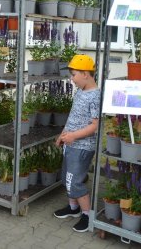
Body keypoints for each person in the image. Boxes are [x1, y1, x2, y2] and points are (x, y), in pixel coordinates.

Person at [54, 54, 100, 233]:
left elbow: (95, 126)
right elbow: (73, 117)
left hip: (82, 147)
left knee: (75, 182)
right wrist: (63, 135)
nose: (71, 79)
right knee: (67, 177)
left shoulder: (95, 96)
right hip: (70, 143)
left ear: (86, 74)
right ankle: (73, 208)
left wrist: (73, 136)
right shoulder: (81, 91)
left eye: (73, 75)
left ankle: (87, 216)